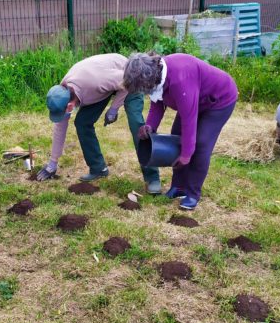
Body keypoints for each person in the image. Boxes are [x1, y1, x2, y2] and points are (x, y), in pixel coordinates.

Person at [123, 52, 238, 210]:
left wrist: (186, 155)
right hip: (194, 99)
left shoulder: (180, 80)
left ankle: (192, 193)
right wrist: (150, 126)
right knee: (177, 136)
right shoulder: (156, 77)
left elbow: (189, 119)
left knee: (201, 144)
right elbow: (157, 103)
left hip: (218, 100)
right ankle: (179, 187)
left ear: (149, 79)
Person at [36, 54, 161, 194]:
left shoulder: (94, 81)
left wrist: (114, 108)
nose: (62, 116)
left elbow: (125, 82)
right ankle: (98, 168)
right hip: (102, 86)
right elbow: (60, 129)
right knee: (82, 122)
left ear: (70, 106)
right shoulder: (61, 93)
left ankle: (152, 177)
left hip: (128, 77)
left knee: (136, 124)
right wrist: (52, 164)